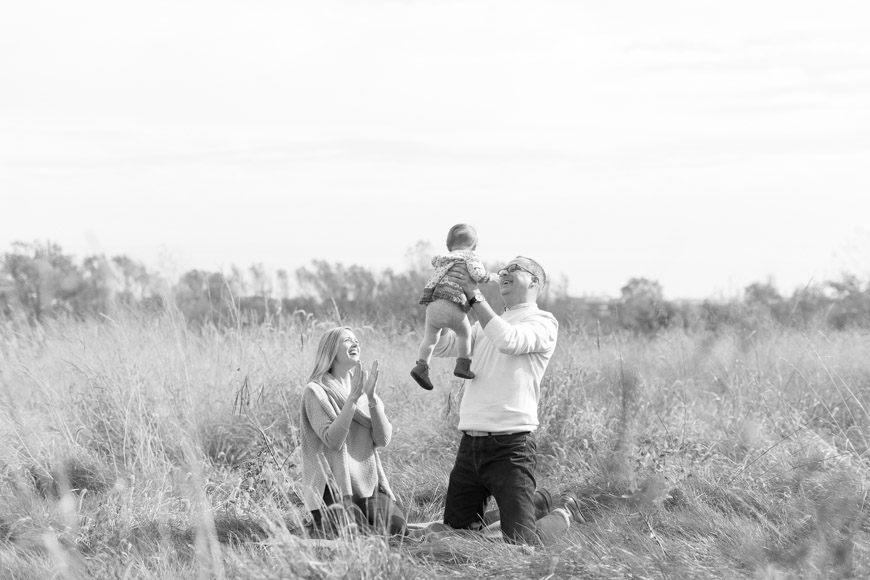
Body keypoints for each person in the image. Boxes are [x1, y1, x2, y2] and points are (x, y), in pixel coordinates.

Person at [430, 256, 583, 545]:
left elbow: (509, 340)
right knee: (456, 536)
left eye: (515, 269)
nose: (505, 273)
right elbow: (444, 346)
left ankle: (563, 512)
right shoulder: (484, 326)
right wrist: (439, 305)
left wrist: (475, 296)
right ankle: (533, 504)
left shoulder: (543, 322)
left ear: (535, 282)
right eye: (503, 270)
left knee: (520, 545)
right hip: (470, 445)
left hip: (511, 447)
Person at [299, 326, 406, 536]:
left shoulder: (365, 393)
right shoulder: (315, 392)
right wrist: (352, 400)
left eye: (356, 340)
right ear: (331, 350)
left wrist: (372, 399)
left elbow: (382, 439)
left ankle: (348, 520)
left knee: (396, 528)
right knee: (356, 533)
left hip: (366, 484)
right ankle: (321, 522)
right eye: (347, 340)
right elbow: (333, 441)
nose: (355, 343)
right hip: (332, 487)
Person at [410, 224, 498, 391]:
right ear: (474, 246)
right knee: (464, 334)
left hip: (434, 306)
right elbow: (479, 275)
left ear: (448, 246)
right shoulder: (470, 258)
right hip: (454, 306)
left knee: (429, 340)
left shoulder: (443, 259)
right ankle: (462, 365)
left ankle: (421, 367)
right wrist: (492, 277)